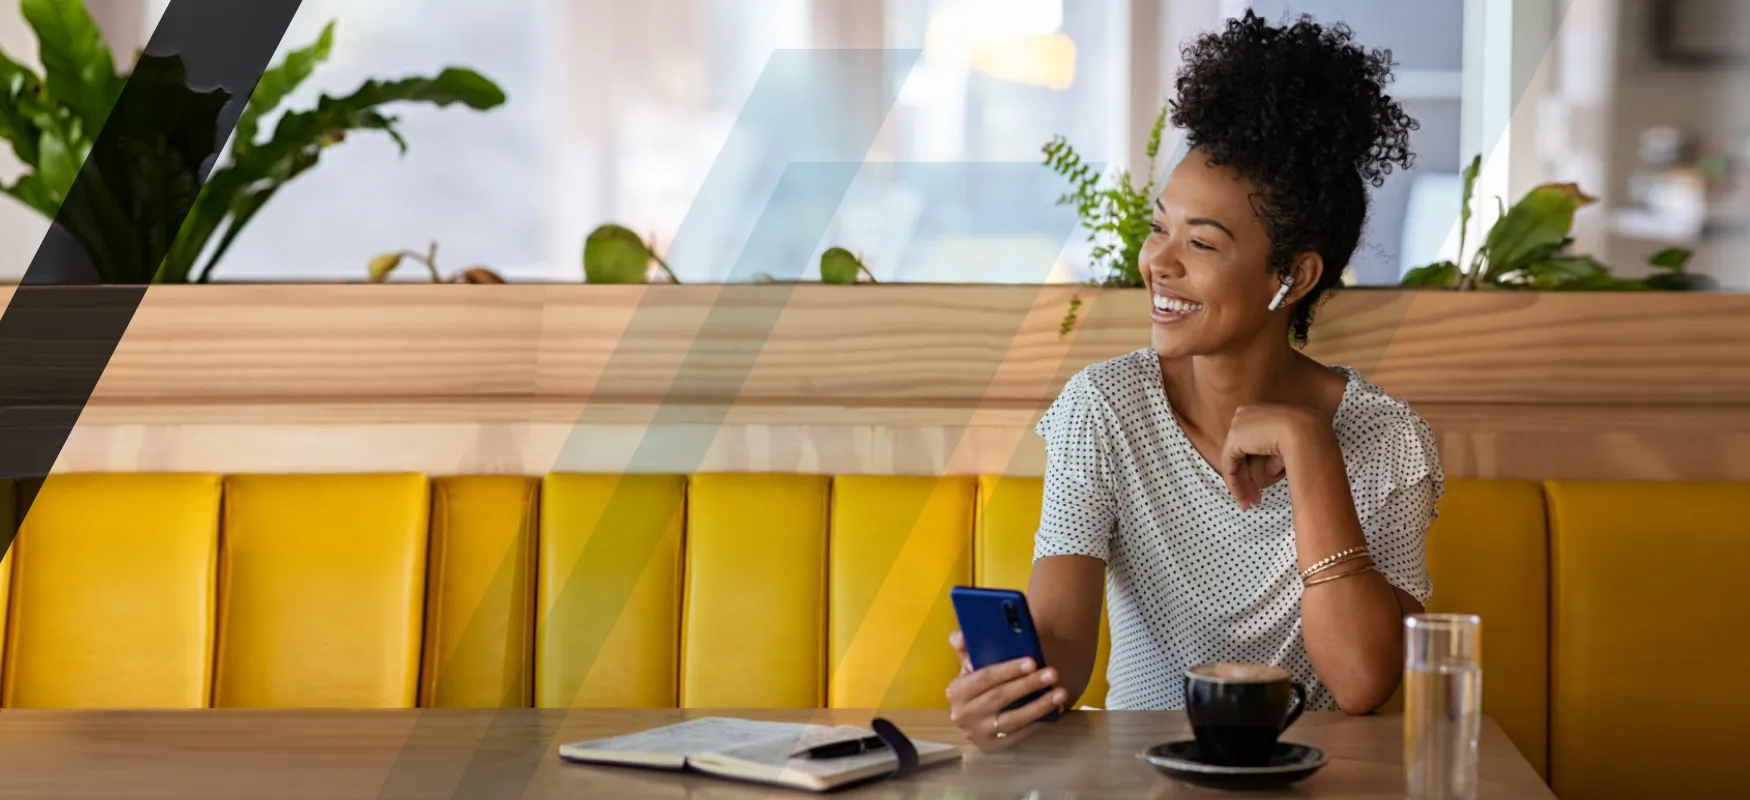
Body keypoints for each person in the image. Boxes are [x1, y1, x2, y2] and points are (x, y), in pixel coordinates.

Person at [945, 10, 1438, 751]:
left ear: (1293, 275)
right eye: (1158, 227)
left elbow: (1362, 682)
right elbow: (1064, 655)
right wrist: (1011, 690)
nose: (1159, 263)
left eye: (1201, 242)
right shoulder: (1105, 408)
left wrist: (1310, 450)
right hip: (1145, 777)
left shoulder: (1388, 437)